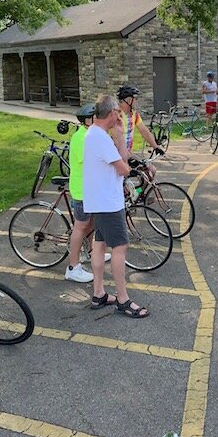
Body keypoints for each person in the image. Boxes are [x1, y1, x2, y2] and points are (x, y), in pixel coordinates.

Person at [84, 95, 147, 318]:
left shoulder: (94, 133)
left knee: (99, 244)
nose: (119, 117)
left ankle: (98, 293)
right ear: (111, 113)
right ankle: (123, 299)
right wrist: (119, 141)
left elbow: (122, 157)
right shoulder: (100, 138)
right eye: (117, 114)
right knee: (119, 248)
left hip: (99, 200)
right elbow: (124, 168)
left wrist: (119, 136)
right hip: (108, 203)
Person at [63, 105, 97, 283]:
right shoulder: (80, 137)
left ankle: (90, 252)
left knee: (91, 222)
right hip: (82, 190)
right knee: (80, 226)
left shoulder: (90, 134)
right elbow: (89, 162)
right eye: (94, 117)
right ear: (87, 120)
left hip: (90, 189)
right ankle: (73, 267)